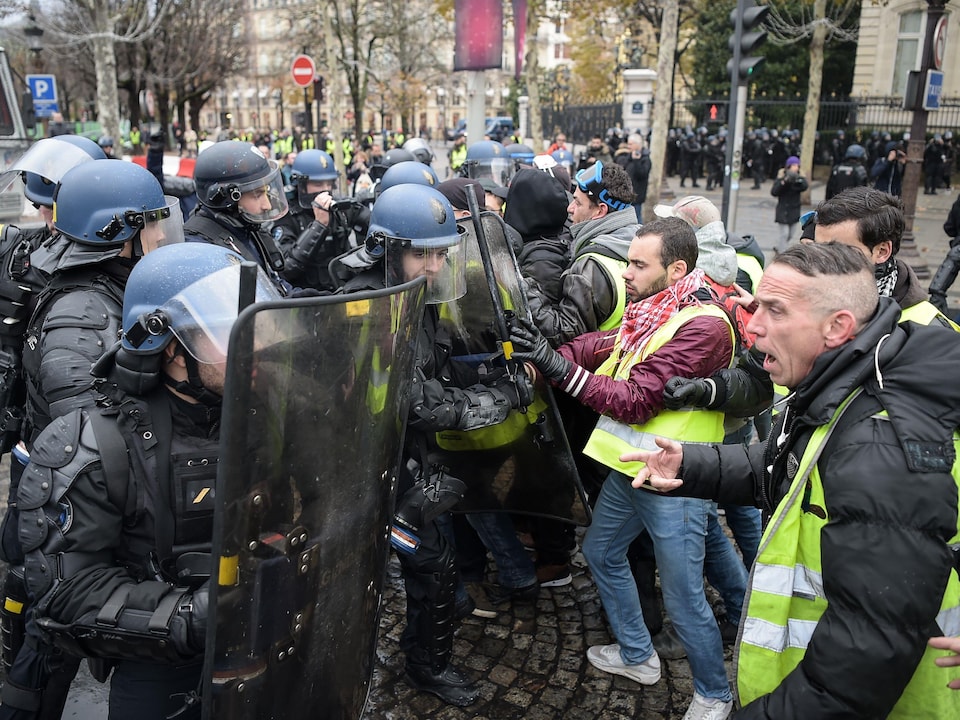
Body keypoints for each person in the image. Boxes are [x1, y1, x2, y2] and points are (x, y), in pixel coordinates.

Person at [629, 242, 960, 719]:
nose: (754, 325)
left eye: (775, 311)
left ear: (837, 327)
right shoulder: (855, 378)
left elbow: (856, 669)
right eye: (757, 305)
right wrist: (689, 463)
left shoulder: (878, 450)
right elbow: (794, 465)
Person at [14, 243, 281, 720]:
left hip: (268, 642)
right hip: (161, 662)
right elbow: (66, 592)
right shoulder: (91, 444)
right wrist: (192, 617)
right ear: (173, 350)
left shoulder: (267, 414)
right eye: (229, 334)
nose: (254, 347)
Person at [510, 217, 738, 720]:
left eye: (638, 264)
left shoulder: (702, 326)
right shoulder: (659, 307)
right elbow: (603, 345)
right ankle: (638, 656)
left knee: (682, 597)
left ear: (676, 268)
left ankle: (715, 694)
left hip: (671, 480)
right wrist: (546, 356)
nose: (626, 273)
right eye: (628, 260)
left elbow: (634, 400)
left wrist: (556, 366)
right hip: (629, 468)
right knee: (601, 550)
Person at [0, 160, 183, 720]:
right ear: (118, 234)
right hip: (77, 515)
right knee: (50, 639)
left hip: (84, 508)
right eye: (152, 223)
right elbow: (87, 432)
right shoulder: (81, 313)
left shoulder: (108, 288)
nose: (162, 235)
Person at [341, 184, 532, 705]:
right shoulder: (367, 305)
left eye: (440, 253)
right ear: (387, 249)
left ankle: (422, 663)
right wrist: (499, 398)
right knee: (406, 567)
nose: (432, 264)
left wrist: (491, 368)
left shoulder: (413, 297)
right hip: (366, 474)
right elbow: (412, 398)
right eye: (419, 252)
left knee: (429, 566)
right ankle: (392, 668)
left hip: (402, 462)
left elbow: (435, 367)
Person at [524, 160, 639, 346]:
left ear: (600, 210)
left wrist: (523, 287)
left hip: (594, 367)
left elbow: (562, 334)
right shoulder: (640, 242)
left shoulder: (590, 266)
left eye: (577, 202)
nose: (570, 208)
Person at [185, 140, 291, 293]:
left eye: (266, 192)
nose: (267, 205)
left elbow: (275, 287)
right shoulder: (199, 250)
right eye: (257, 195)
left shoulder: (246, 229)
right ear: (226, 199)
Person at [269, 148, 365, 292]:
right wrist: (319, 225)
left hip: (343, 293)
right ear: (301, 186)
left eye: (329, 184)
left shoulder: (338, 209)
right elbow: (287, 268)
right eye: (318, 185)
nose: (326, 190)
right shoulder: (285, 215)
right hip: (307, 300)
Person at [770, 156, 808, 254]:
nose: (796, 167)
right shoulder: (781, 177)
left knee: (791, 234)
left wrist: (797, 180)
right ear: (788, 166)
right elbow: (774, 192)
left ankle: (779, 247)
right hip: (783, 210)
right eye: (794, 165)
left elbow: (804, 186)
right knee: (784, 234)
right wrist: (785, 182)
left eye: (797, 165)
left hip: (794, 210)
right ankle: (782, 253)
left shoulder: (800, 177)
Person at [614, 133, 651, 223]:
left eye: (631, 144)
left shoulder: (645, 159)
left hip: (637, 196)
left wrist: (636, 160)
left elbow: (642, 174)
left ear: (638, 145)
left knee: (636, 219)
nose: (628, 146)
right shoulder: (627, 156)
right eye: (628, 144)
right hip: (624, 194)